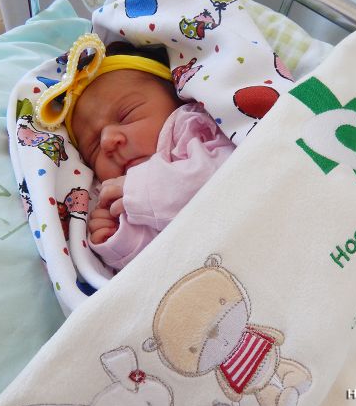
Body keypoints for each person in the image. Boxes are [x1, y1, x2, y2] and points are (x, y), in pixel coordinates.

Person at [67, 41, 235, 270]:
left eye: (126, 115)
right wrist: (121, 239)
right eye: (93, 147)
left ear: (175, 98)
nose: (107, 142)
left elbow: (228, 174)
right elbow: (160, 263)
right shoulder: (117, 196)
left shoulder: (191, 125)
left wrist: (142, 188)